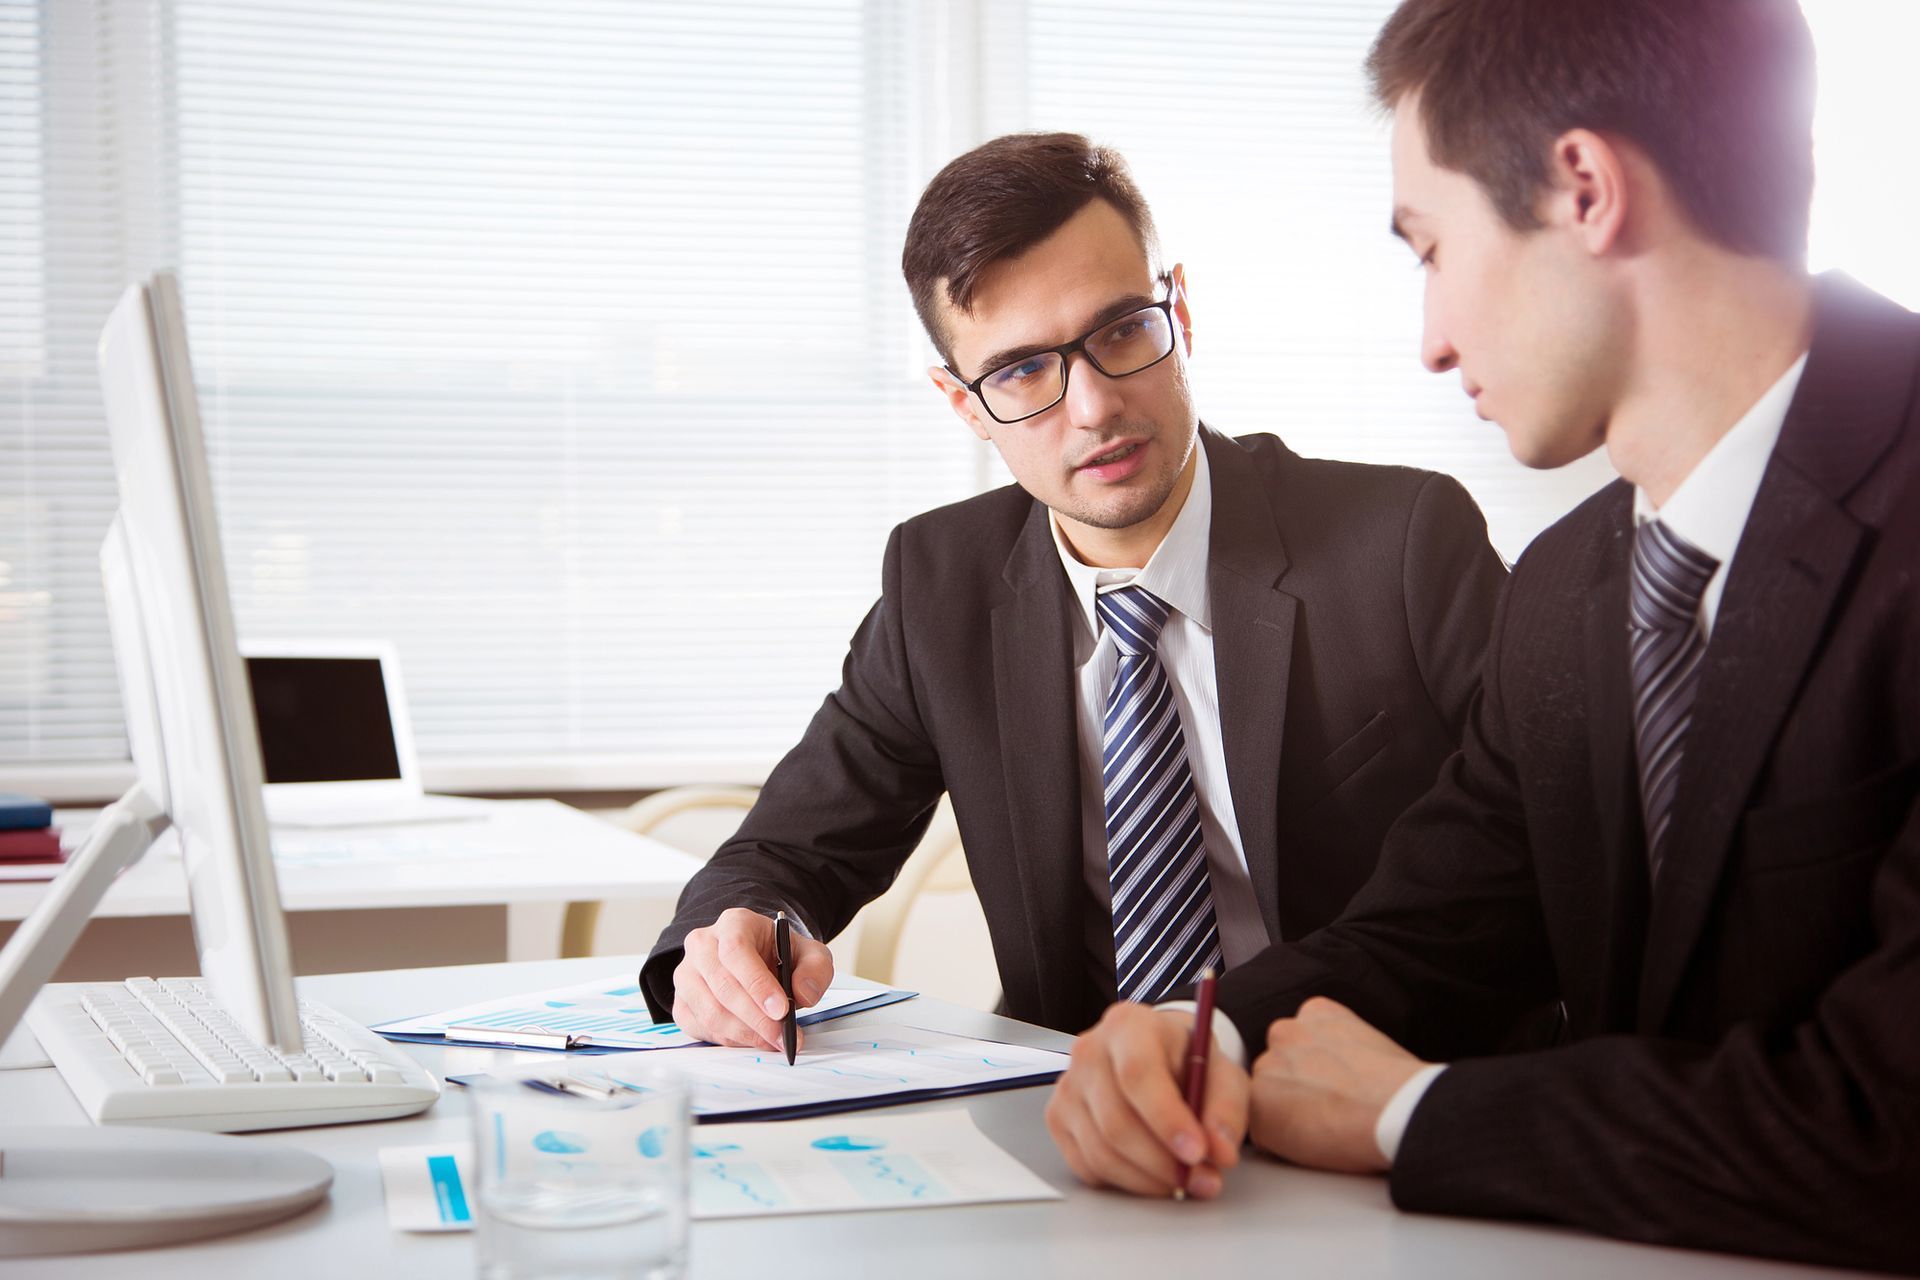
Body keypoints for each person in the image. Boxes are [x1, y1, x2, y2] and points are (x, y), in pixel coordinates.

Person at [1043, 1, 1920, 1271]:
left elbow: (1891, 1122)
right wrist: (1201, 1035)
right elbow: (1435, 931)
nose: (1432, 341)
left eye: (1433, 248)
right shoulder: (1566, 588)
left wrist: (1413, 1112)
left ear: (1584, 189)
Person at [639, 132, 1506, 1052]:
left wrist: (1218, 1039)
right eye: (1022, 371)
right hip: (1073, 1106)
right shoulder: (940, 584)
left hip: (1368, 1085)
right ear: (965, 404)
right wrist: (733, 939)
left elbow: (1527, 857)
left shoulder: (1401, 545)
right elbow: (787, 850)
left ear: (1179, 314)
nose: (1094, 407)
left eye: (1122, 330)